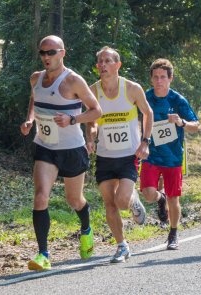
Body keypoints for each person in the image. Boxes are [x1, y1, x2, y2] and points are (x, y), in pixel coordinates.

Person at [20, 35, 102, 271]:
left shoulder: (74, 81)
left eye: (51, 52)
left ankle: (86, 228)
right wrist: (29, 120)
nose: (46, 57)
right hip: (45, 147)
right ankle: (43, 254)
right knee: (40, 197)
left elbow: (96, 110)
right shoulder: (35, 78)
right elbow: (34, 100)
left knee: (74, 200)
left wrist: (72, 118)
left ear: (62, 53)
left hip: (72, 149)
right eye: (42, 53)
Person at [86, 46, 153, 263]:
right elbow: (92, 120)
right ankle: (121, 246)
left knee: (121, 200)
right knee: (109, 202)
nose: (103, 65)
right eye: (100, 62)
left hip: (128, 155)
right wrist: (91, 136)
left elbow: (148, 112)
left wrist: (145, 141)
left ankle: (133, 202)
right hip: (105, 155)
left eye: (107, 61)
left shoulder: (132, 89)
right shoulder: (93, 91)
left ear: (118, 65)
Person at [140, 58, 199, 250]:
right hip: (151, 154)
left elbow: (195, 126)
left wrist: (181, 122)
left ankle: (173, 232)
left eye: (163, 77)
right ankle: (160, 198)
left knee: (174, 198)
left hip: (173, 157)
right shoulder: (145, 97)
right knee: (148, 194)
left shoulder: (177, 100)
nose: (159, 81)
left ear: (170, 79)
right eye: (155, 77)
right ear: (151, 79)